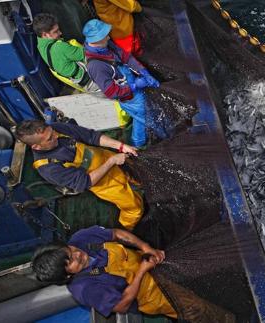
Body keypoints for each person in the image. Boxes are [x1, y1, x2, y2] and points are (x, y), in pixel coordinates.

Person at [31, 225, 236, 322]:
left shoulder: (80, 238)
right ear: (68, 276)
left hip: (156, 265)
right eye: (72, 262)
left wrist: (146, 247)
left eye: (71, 251)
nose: (78, 254)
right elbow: (122, 305)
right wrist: (141, 272)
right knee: (198, 309)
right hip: (156, 296)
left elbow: (117, 234)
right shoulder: (84, 289)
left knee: (205, 277)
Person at [15, 120, 143, 230]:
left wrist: (121, 146)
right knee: (133, 207)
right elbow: (86, 182)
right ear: (37, 147)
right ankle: (125, 232)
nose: (56, 136)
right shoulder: (48, 168)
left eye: (52, 132)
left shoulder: (55, 128)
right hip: (103, 183)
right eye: (50, 139)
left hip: (109, 158)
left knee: (138, 176)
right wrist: (112, 162)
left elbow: (91, 136)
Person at [82, 19, 163, 148]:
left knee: (140, 118)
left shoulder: (105, 45)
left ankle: (137, 142)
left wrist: (144, 71)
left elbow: (126, 57)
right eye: (105, 35)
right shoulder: (96, 66)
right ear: (96, 39)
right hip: (129, 97)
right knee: (149, 118)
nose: (108, 37)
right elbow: (111, 92)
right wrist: (135, 85)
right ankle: (162, 138)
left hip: (132, 85)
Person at [33, 13, 100, 93]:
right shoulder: (59, 47)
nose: (60, 33)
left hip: (81, 83)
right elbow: (89, 54)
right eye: (56, 31)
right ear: (45, 34)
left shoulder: (40, 44)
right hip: (94, 81)